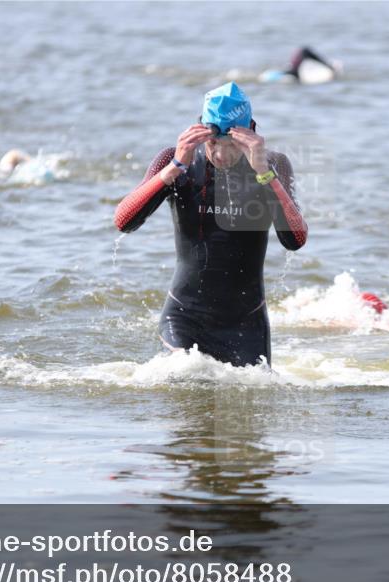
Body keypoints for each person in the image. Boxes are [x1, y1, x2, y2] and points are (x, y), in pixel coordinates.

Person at [113, 81, 308, 368]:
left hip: (246, 325)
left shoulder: (273, 165)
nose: (220, 154)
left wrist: (264, 174)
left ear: (251, 132)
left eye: (231, 145)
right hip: (184, 317)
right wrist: (175, 168)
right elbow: (124, 221)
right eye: (212, 142)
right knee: (187, 375)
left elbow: (295, 239)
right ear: (199, 128)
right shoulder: (175, 159)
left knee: (250, 405)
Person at [259, 47, 342, 85]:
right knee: (293, 75)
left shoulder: (303, 52)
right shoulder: (306, 52)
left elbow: (318, 60)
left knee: (291, 74)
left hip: (294, 69)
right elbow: (319, 59)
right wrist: (329, 66)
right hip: (295, 70)